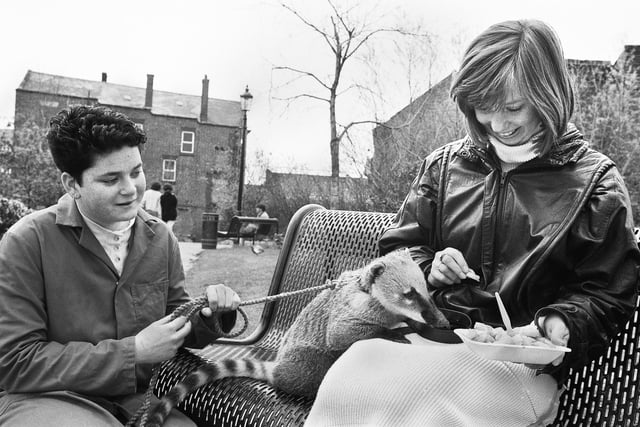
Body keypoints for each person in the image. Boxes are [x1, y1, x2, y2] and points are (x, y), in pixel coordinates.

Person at [305, 20, 640, 426]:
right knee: (349, 378)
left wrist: (562, 320)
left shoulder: (598, 184)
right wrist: (431, 268)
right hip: (426, 341)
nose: (497, 124)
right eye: (484, 106)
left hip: (519, 368)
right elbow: (400, 252)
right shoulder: (444, 165)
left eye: (514, 107)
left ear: (547, 93)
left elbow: (607, 293)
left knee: (419, 408)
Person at [0, 105, 241, 426]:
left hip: (136, 399)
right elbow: (17, 362)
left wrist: (211, 316)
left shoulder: (160, 238)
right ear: (72, 184)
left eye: (136, 172)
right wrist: (134, 351)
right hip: (46, 398)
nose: (131, 189)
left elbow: (176, 322)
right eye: (111, 179)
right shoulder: (27, 241)